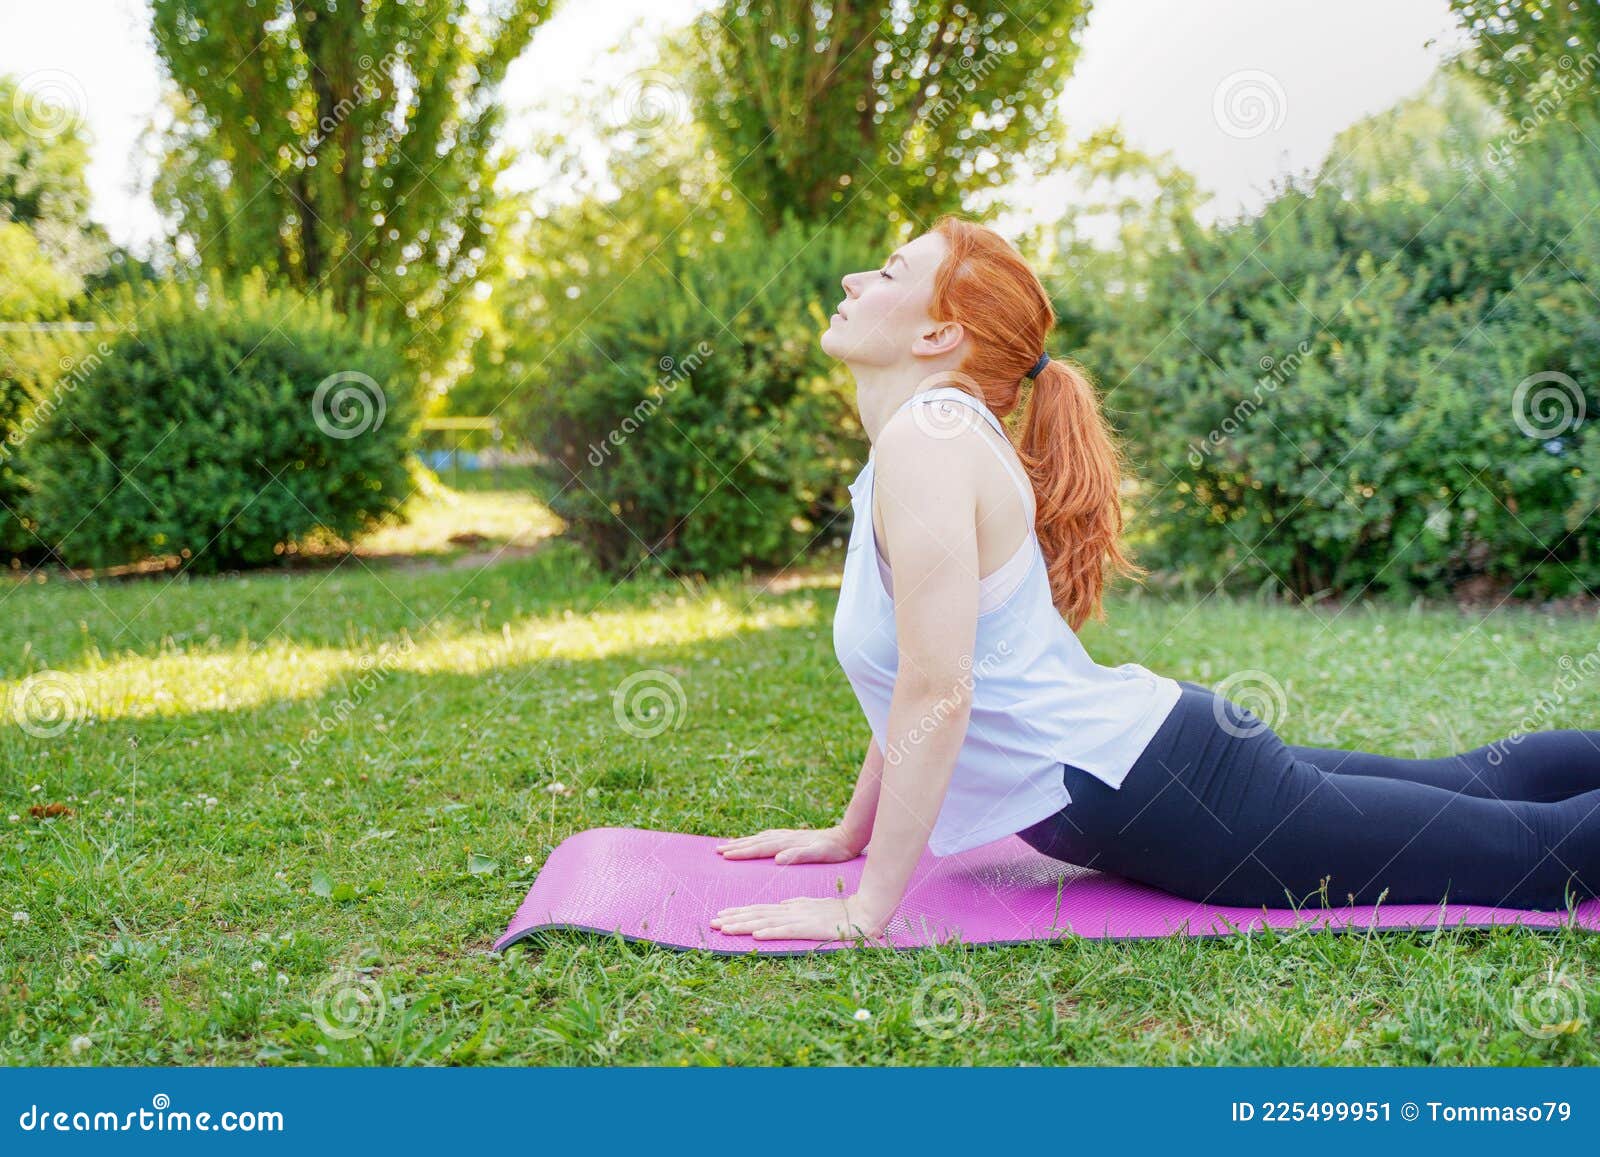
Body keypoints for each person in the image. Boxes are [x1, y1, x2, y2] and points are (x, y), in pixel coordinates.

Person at [709, 215, 1600, 944]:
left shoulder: (929, 441)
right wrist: (848, 836)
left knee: (1536, 858)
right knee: (1472, 787)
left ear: (941, 332)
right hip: (1159, 761)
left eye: (890, 272)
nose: (854, 282)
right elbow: (916, 674)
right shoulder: (921, 444)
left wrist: (867, 909)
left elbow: (940, 690)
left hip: (1174, 791)